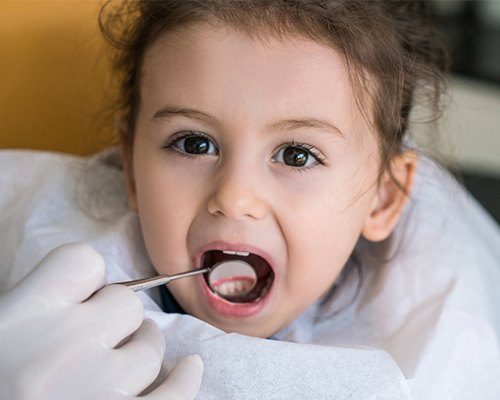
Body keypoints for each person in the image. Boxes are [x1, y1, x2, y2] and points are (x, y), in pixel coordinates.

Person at [1, 1, 499, 399]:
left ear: (382, 199)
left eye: (297, 155)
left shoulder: (447, 346)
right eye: (194, 143)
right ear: (130, 169)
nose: (235, 197)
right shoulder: (25, 256)